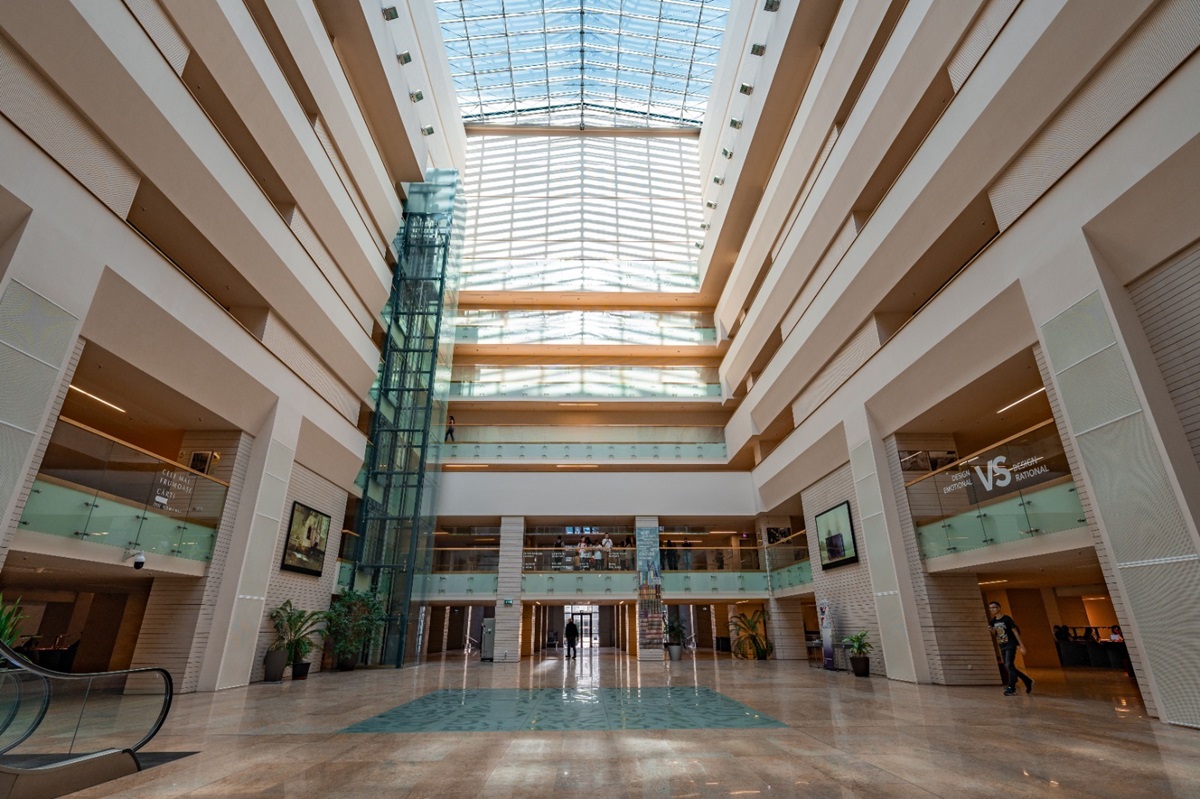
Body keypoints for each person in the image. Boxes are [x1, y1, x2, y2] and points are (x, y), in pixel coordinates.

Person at [988, 601, 1033, 695]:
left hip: (1010, 644)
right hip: (1002, 645)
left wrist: (1022, 645)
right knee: (1008, 666)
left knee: (1008, 665)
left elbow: (1015, 631)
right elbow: (995, 634)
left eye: (994, 607)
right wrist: (992, 630)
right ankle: (1027, 680)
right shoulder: (993, 621)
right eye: (991, 608)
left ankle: (1011, 687)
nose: (992, 609)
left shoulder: (1006, 619)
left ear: (999, 608)